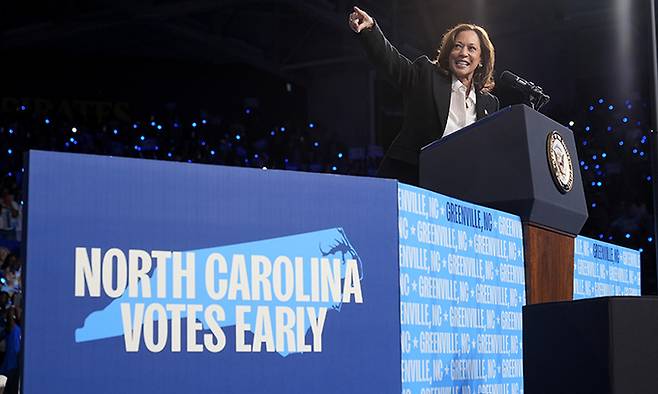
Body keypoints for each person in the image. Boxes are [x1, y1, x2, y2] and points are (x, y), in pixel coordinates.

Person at [349, 6, 499, 185]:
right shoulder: (427, 75)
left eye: (472, 48)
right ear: (449, 52)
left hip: (460, 186)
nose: (463, 53)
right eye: (457, 46)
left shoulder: (489, 104)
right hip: (413, 178)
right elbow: (393, 63)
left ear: (481, 59)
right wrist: (370, 30)